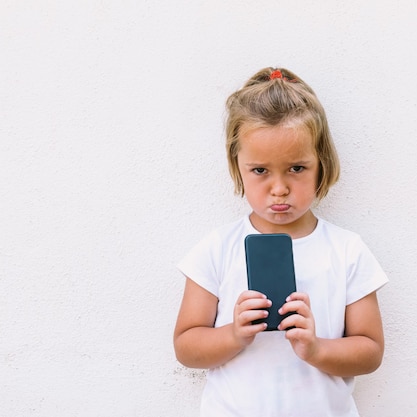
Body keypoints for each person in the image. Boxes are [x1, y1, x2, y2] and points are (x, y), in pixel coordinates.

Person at [173, 67, 388, 417]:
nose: (279, 188)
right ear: (237, 167)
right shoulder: (216, 248)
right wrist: (233, 335)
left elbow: (370, 351)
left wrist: (315, 349)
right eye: (260, 170)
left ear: (322, 164)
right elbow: (186, 346)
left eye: (296, 168)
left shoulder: (348, 251)